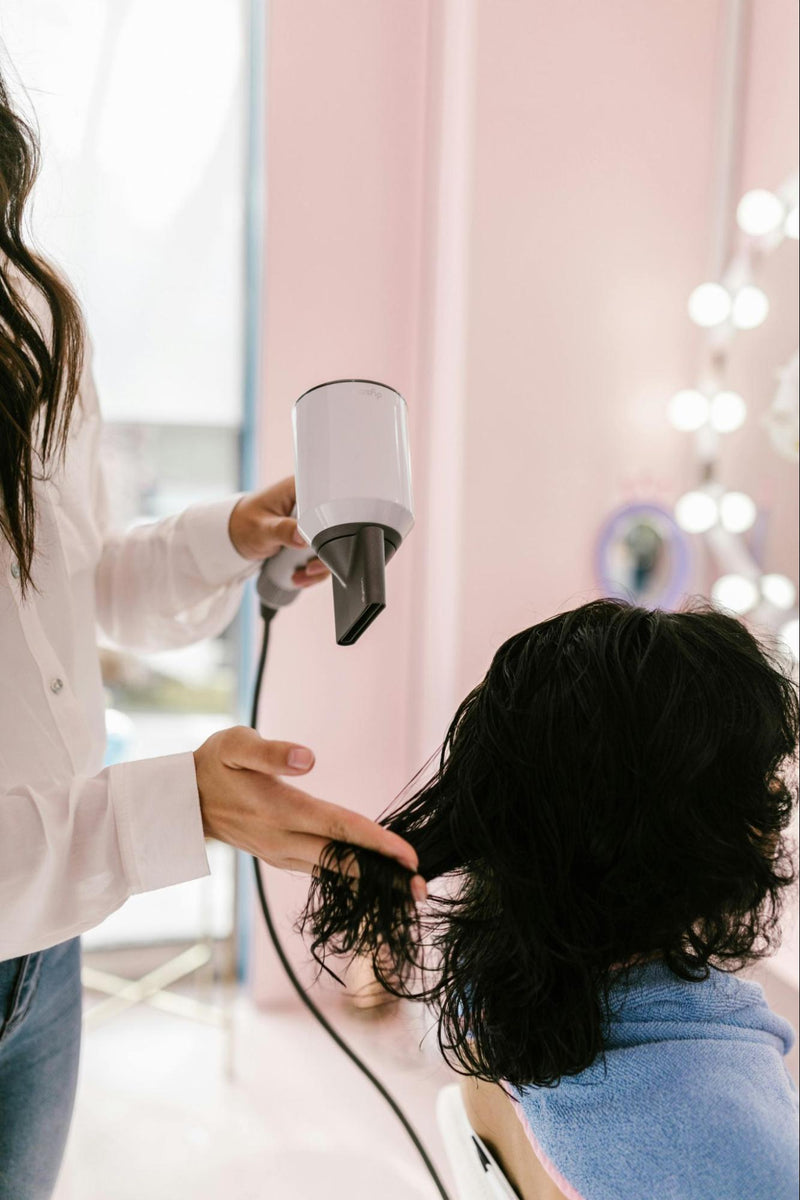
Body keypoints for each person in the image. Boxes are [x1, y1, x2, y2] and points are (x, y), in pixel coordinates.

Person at [0, 73, 422, 1200]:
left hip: (40, 946)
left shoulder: (28, 315)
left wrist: (233, 535)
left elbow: (69, 588)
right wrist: (168, 808)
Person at [301, 599, 800, 1200]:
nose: (776, 792)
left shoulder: (489, 1007)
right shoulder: (738, 1153)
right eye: (764, 773)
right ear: (696, 836)